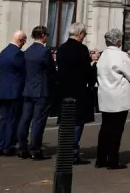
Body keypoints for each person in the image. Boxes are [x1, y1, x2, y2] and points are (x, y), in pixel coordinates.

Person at [95, 29, 130, 170]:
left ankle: (101, 159)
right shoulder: (121, 56)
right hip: (119, 96)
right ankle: (113, 160)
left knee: (105, 128)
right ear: (119, 41)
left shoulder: (103, 55)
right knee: (116, 129)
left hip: (105, 95)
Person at [56, 22, 94, 165]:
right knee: (77, 122)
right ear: (80, 34)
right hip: (78, 89)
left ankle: (63, 150)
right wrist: (91, 80)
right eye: (84, 34)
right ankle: (73, 153)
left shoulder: (61, 48)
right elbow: (87, 70)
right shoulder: (82, 49)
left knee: (65, 121)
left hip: (63, 89)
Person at [17, 26, 56, 160]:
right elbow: (51, 70)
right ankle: (35, 149)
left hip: (28, 89)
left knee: (25, 119)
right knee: (38, 121)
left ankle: (22, 148)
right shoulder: (44, 52)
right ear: (43, 36)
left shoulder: (27, 51)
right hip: (41, 90)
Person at [0, 30, 27, 157]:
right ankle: (8, 146)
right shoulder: (18, 54)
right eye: (24, 41)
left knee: (3, 119)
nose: (24, 43)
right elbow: (23, 72)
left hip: (4, 89)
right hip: (15, 91)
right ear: (20, 40)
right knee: (12, 120)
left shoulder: (4, 52)